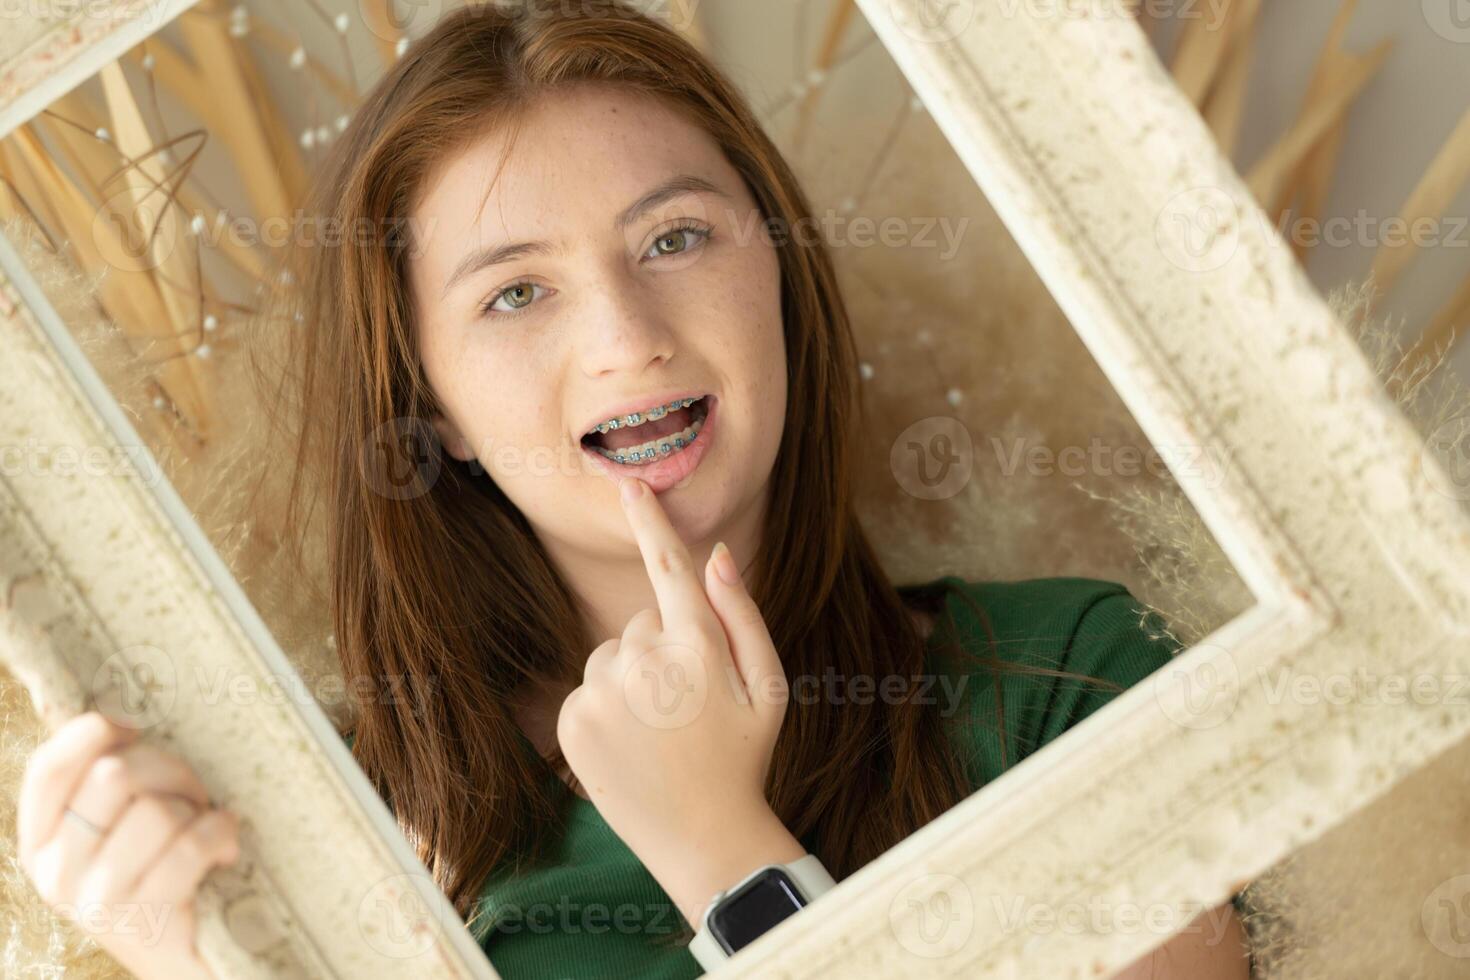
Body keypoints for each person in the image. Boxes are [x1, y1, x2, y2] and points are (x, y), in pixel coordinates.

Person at [16, 2, 1252, 978]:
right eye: (514, 291)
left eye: (675, 238)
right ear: (431, 404)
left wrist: (723, 848)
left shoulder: (1070, 677)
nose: (626, 334)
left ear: (780, 270)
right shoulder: (308, 829)